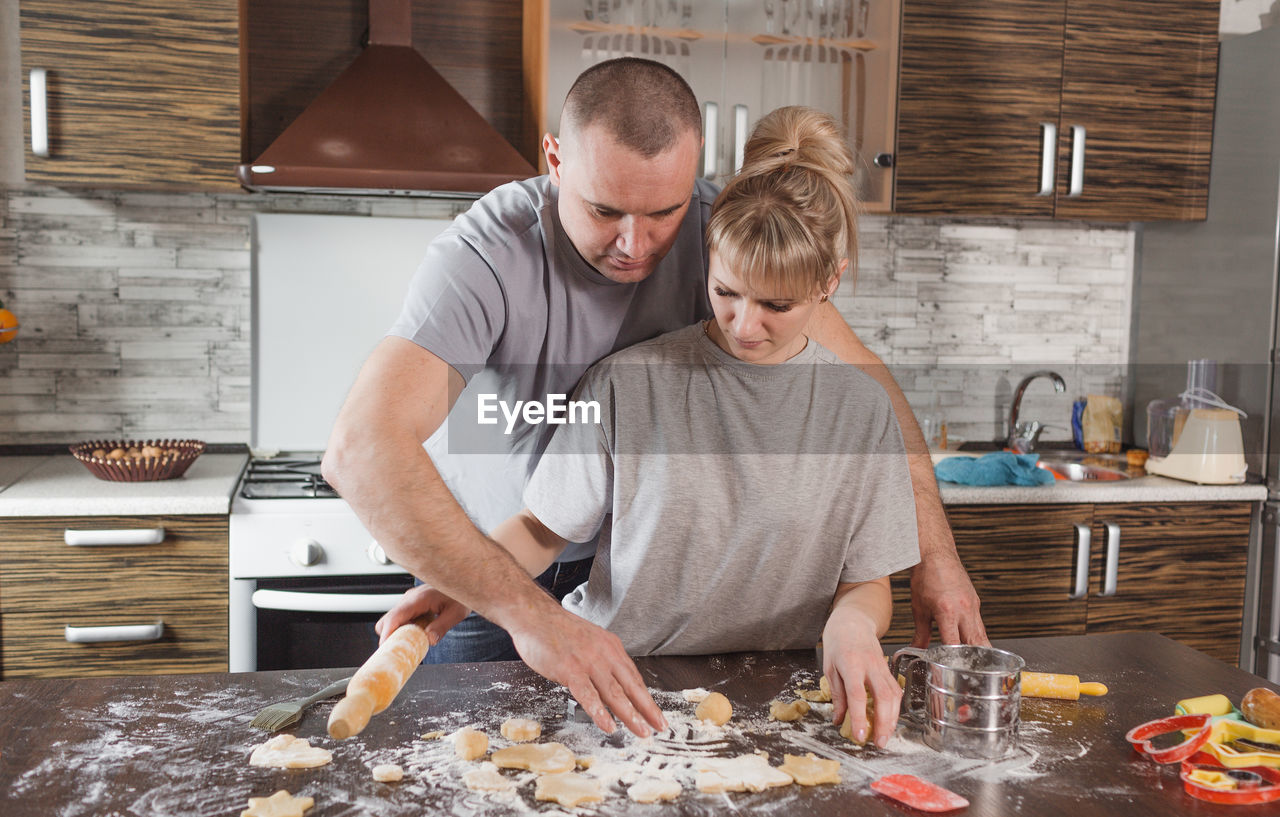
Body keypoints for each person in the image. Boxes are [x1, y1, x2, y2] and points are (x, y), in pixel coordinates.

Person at [322, 58, 984, 737]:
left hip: (640, 586)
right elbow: (361, 446)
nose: (634, 245)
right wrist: (501, 594)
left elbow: (863, 388)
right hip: (496, 558)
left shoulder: (727, 232)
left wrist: (934, 556)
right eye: (604, 209)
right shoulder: (489, 254)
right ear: (555, 160)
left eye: (663, 212)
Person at [477, 105, 918, 747]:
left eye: (777, 305)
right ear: (709, 257)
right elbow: (542, 532)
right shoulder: (627, 383)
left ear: (829, 282)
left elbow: (867, 581)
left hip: (784, 703)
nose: (744, 325)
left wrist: (852, 626)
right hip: (623, 694)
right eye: (727, 292)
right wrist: (459, 583)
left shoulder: (861, 411)